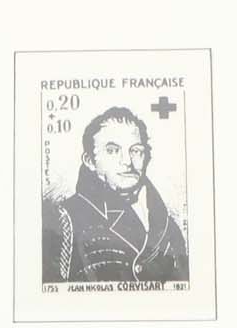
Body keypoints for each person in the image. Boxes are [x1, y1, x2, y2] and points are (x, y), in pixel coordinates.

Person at [45, 107, 189, 287]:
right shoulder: (66, 220)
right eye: (112, 150)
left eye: (136, 151)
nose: (127, 161)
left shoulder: (168, 225)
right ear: (89, 161)